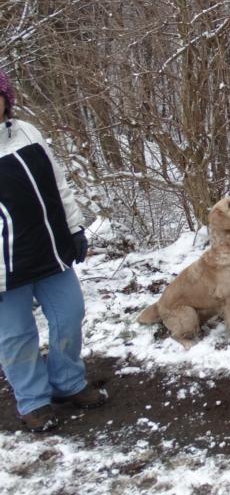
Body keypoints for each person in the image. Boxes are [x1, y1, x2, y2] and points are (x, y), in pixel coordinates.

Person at [0, 68, 107, 431]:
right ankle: (33, 401)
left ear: (6, 99)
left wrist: (74, 228)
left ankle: (68, 382)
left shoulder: (27, 132)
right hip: (5, 268)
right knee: (16, 335)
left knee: (70, 313)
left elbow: (57, 183)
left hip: (50, 250)